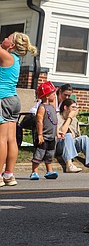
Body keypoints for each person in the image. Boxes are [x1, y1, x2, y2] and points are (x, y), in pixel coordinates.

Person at [1, 32, 38, 187]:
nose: (3, 39)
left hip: (2, 99)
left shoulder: (7, 56)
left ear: (12, 44)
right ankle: (9, 175)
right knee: (11, 139)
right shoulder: (14, 59)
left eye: (7, 38)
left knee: (1, 139)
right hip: (14, 101)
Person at [56, 99, 89, 173]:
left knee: (84, 138)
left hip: (72, 145)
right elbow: (61, 134)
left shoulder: (75, 120)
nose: (75, 109)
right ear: (65, 108)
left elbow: (78, 136)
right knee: (68, 136)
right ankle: (69, 165)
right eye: (73, 107)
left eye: (76, 108)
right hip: (60, 145)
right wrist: (69, 118)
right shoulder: (57, 117)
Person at [30, 81, 59, 180]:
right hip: (43, 136)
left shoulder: (52, 107)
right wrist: (40, 134)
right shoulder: (42, 107)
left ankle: (49, 171)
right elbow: (39, 121)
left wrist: (57, 132)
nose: (55, 96)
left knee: (49, 154)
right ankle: (34, 172)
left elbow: (54, 121)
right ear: (47, 96)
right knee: (39, 154)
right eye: (53, 94)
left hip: (52, 136)